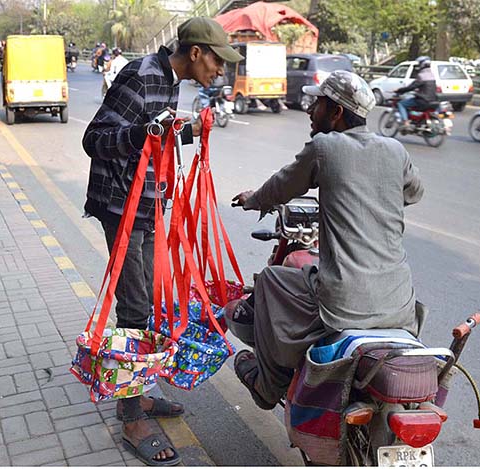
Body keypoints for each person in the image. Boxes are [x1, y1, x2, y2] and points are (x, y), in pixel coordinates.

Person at [82, 17, 243, 466]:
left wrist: (188, 130)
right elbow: (94, 140)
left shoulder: (170, 81)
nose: (220, 71)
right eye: (217, 61)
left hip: (150, 207)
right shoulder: (141, 75)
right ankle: (132, 416)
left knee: (151, 301)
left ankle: (139, 394)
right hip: (123, 208)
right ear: (196, 53)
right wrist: (146, 133)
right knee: (134, 306)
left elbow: (156, 137)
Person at [230, 70, 424, 411]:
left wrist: (253, 200)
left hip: (344, 301)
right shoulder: (394, 149)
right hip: (400, 303)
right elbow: (413, 192)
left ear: (335, 112)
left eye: (316, 103)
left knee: (271, 280)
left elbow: (282, 186)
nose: (308, 110)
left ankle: (267, 384)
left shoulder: (325, 147)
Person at [395, 56, 437, 128]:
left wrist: (399, 90)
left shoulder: (421, 75)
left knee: (401, 104)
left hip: (423, 100)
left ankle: (406, 122)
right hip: (433, 100)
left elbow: (411, 87)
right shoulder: (432, 75)